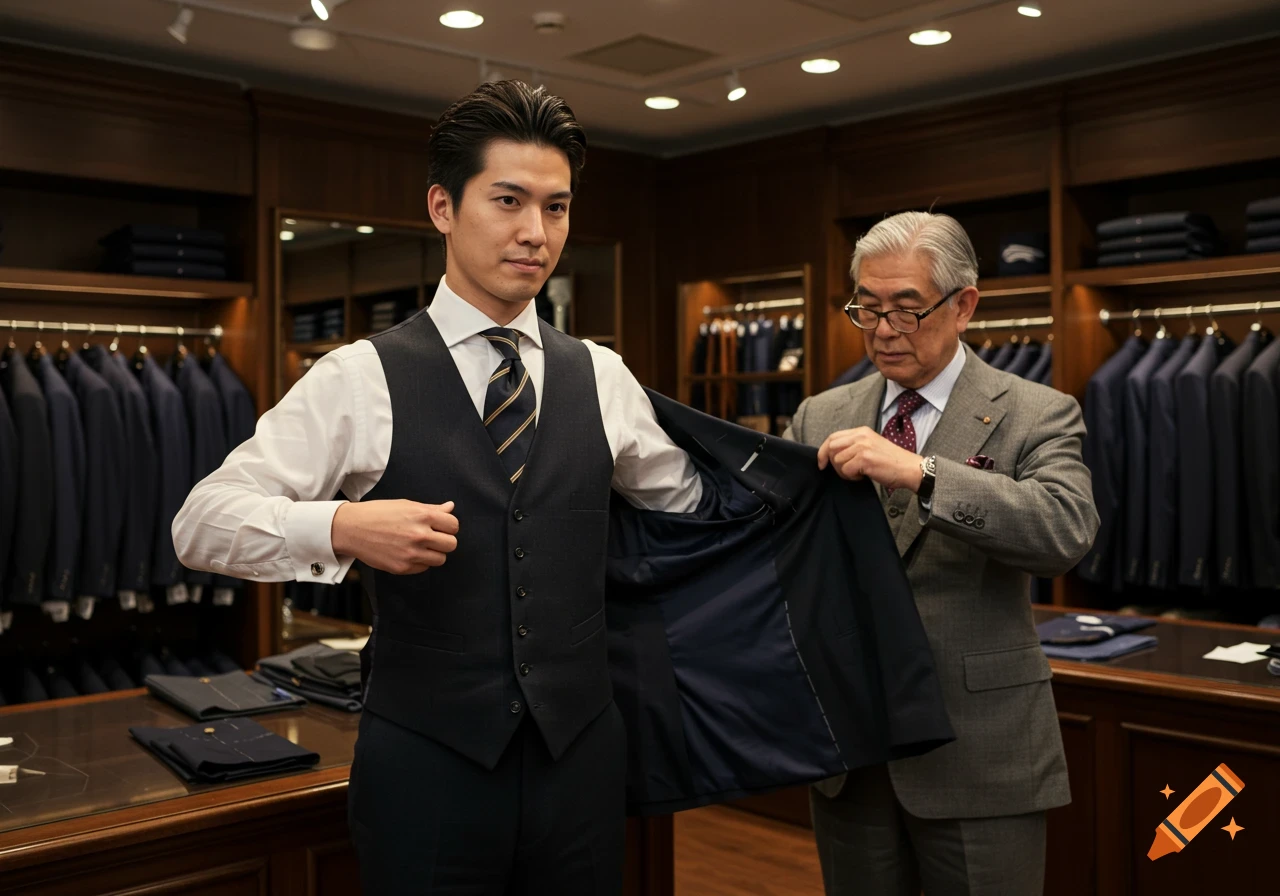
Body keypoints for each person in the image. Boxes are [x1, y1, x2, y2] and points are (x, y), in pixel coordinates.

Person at [172, 80, 702, 895]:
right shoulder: (357, 376)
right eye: (509, 200)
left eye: (556, 208)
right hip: (427, 767)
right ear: (443, 208)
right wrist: (341, 528)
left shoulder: (603, 375)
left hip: (582, 766)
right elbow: (201, 523)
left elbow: (692, 514)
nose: (535, 233)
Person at [784, 211, 1098, 896]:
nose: (885, 330)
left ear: (964, 306)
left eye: (905, 309)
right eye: (866, 310)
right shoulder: (820, 415)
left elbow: (1064, 531)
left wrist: (921, 473)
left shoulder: (1037, 411)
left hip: (979, 752)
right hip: (852, 754)